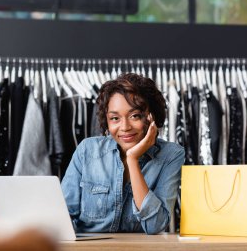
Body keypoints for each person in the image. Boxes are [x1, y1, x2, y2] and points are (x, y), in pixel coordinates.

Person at [61, 73, 185, 234]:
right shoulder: (87, 150)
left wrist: (132, 160)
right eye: (115, 118)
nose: (125, 126)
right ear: (106, 120)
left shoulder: (171, 155)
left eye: (135, 116)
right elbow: (63, 216)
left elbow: (155, 225)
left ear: (152, 116)